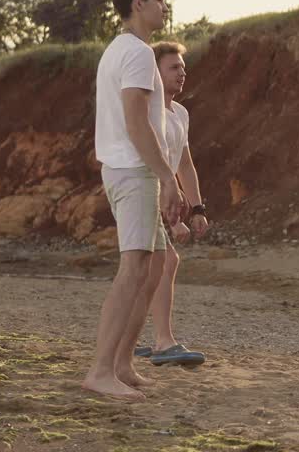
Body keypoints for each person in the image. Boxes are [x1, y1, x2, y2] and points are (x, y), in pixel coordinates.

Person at [82, 0, 187, 400]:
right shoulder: (139, 54)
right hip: (134, 170)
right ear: (138, 4)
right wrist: (167, 178)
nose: (165, 6)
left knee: (156, 265)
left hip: (127, 168)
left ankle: (122, 362)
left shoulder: (119, 51)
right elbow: (136, 122)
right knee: (133, 270)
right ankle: (100, 370)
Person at [131, 41, 210, 367]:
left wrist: (198, 208)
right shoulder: (150, 112)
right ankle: (163, 342)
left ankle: (132, 341)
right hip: (142, 191)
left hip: (163, 195)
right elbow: (156, 163)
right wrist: (173, 218)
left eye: (183, 68)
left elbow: (184, 165)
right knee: (164, 262)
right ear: (155, 72)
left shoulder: (180, 113)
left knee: (149, 267)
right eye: (174, 68)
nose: (182, 74)